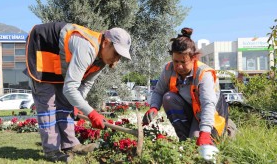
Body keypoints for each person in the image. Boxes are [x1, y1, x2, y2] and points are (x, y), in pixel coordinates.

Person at [24, 22, 131, 163]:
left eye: (120, 56)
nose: (117, 59)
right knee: (48, 104)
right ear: (106, 43)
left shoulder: (101, 60)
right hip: (42, 45)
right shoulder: (87, 49)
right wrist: (91, 113)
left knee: (67, 103)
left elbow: (86, 83)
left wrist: (77, 104)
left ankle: (71, 145)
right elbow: (70, 89)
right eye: (116, 53)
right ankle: (52, 150)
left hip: (59, 59)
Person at [142, 27, 229, 149]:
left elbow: (208, 104)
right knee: (168, 98)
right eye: (176, 61)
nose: (179, 66)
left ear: (193, 58)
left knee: (199, 144)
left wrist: (204, 132)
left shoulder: (204, 74)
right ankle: (184, 140)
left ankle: (226, 130)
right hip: (192, 110)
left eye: (183, 62)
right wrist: (154, 107)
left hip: (211, 112)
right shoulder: (169, 69)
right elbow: (158, 91)